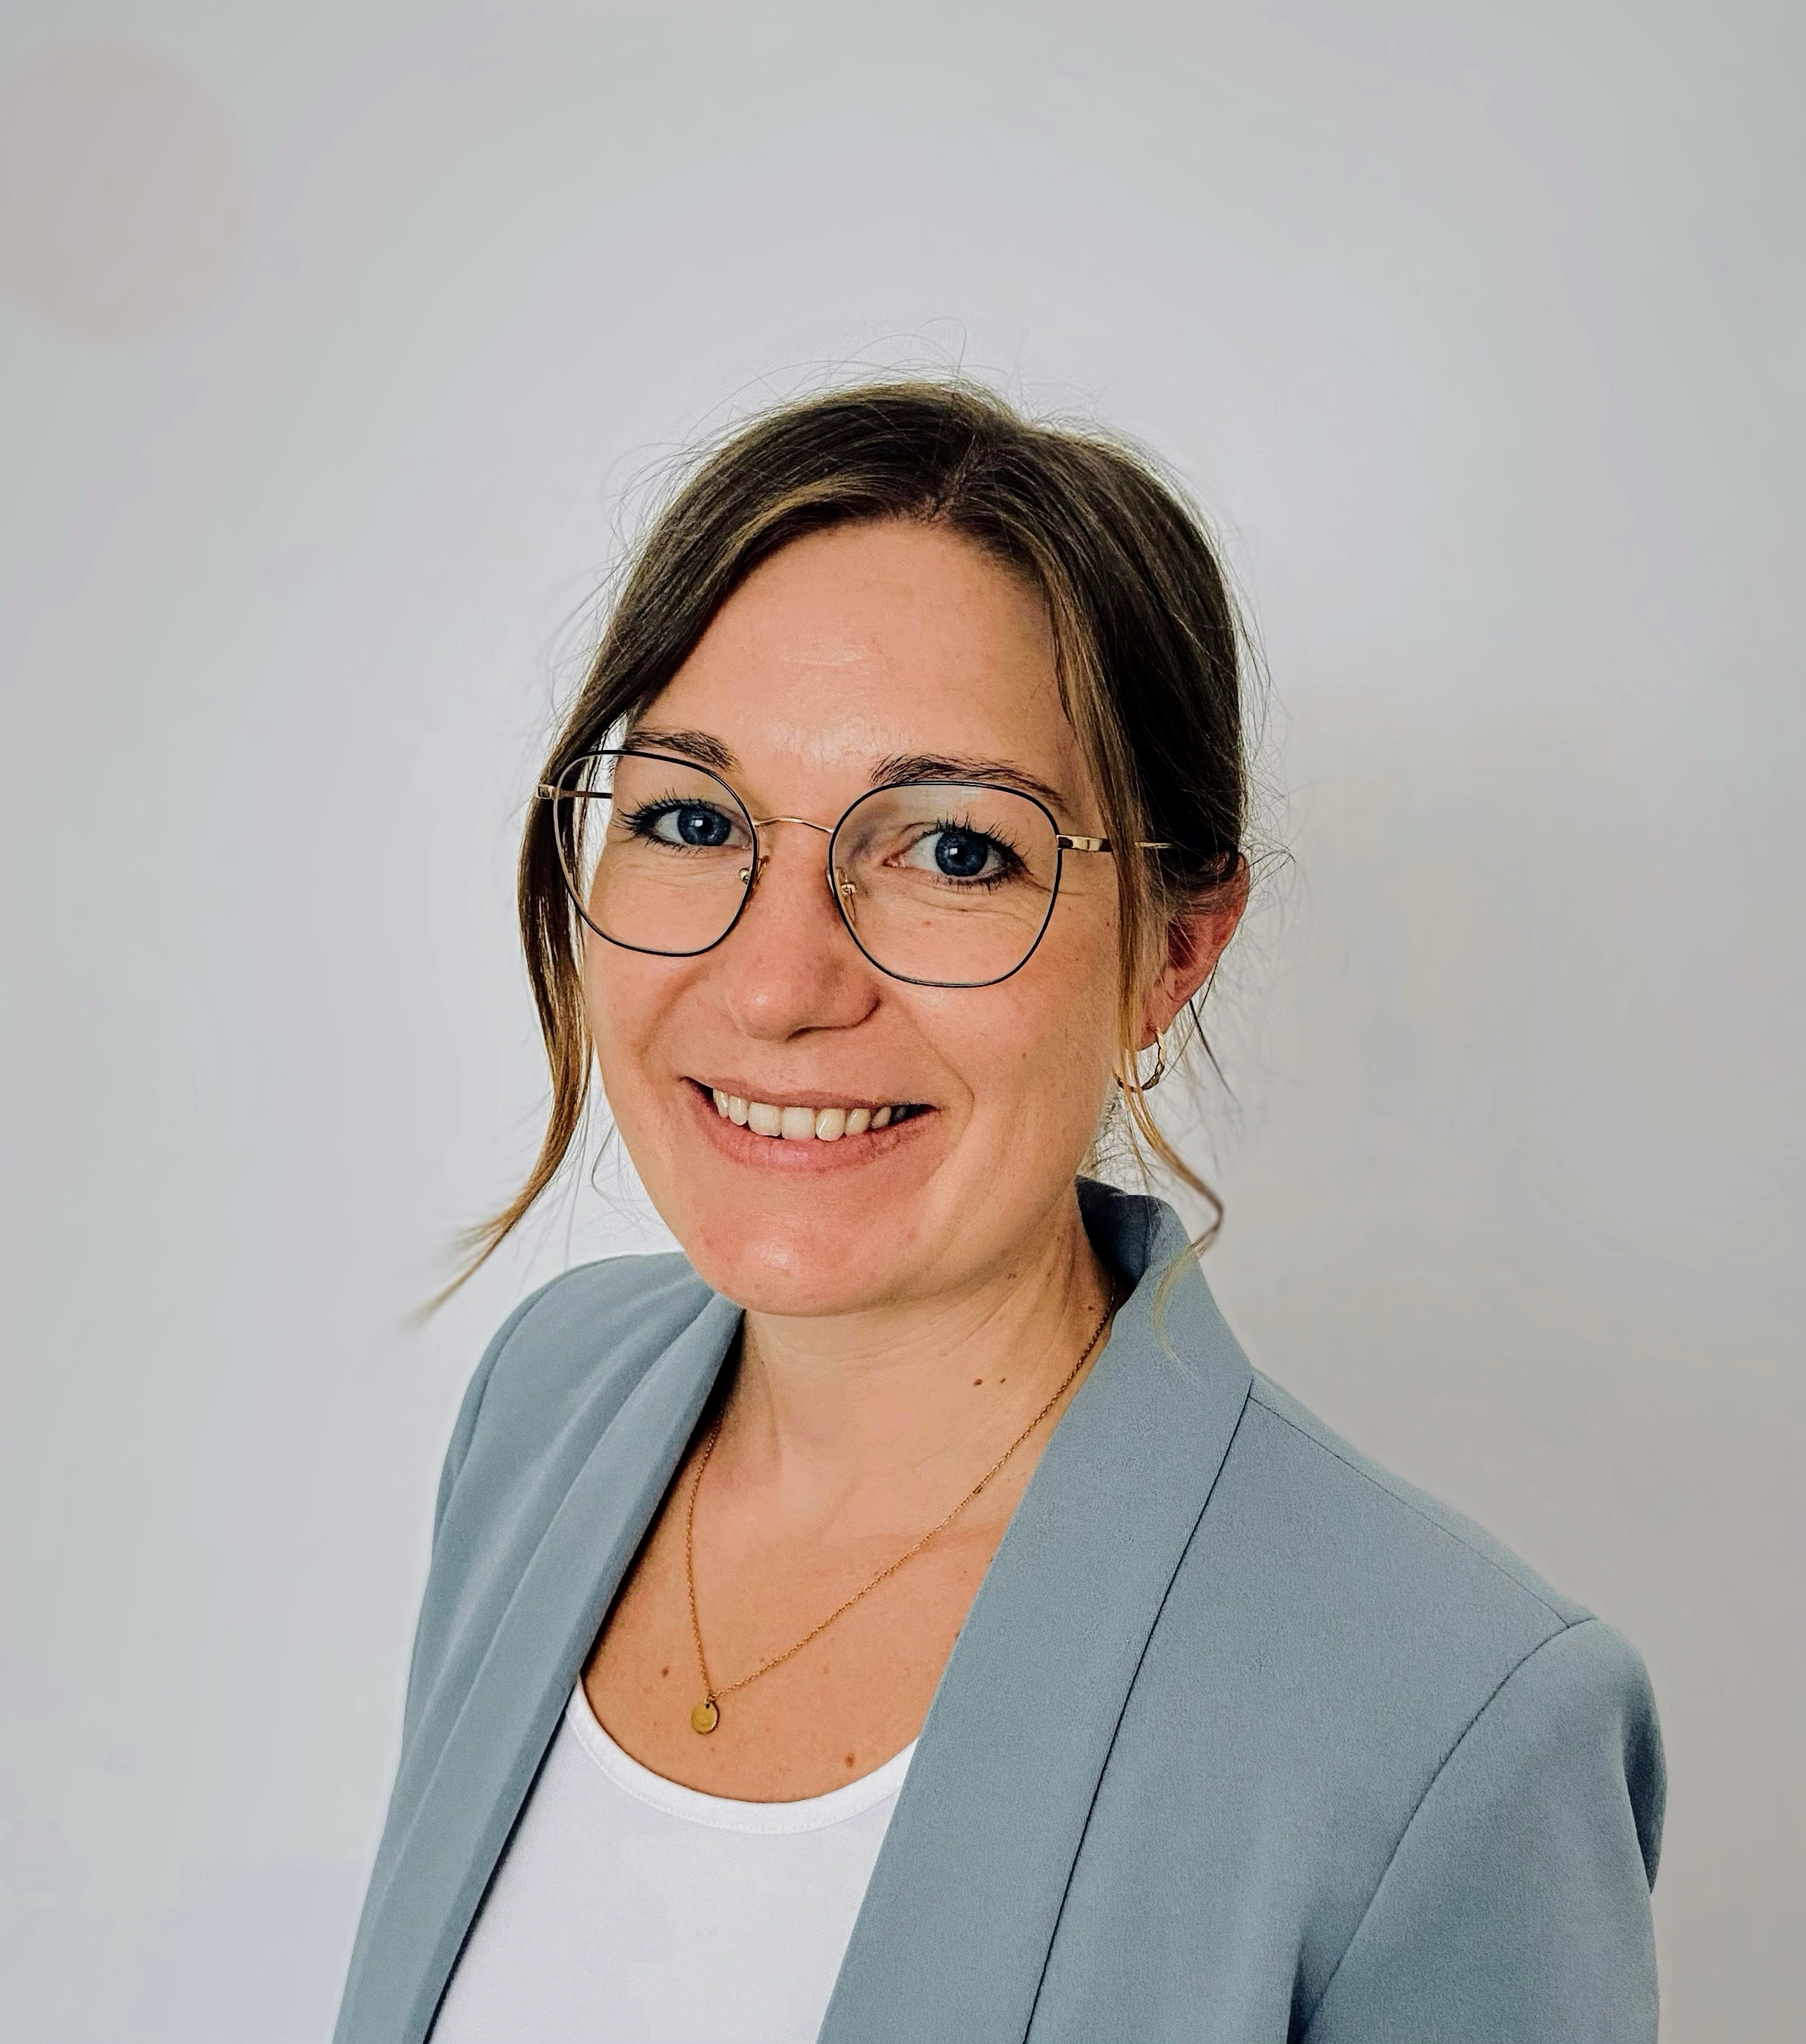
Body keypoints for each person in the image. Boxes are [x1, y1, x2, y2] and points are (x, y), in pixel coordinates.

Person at [333, 381, 1664, 2044]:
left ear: (1173, 951)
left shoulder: (1457, 1722)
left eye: (954, 853)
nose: (776, 985)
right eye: (690, 820)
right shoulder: (549, 1403)